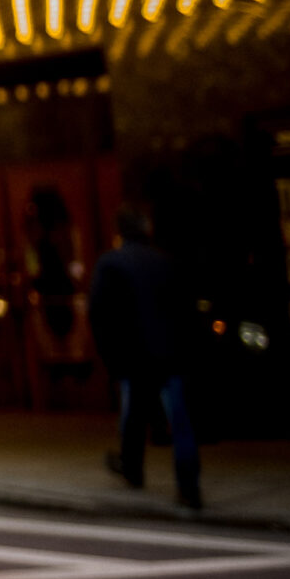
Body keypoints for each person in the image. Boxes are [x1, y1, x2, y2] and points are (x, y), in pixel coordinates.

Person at [90, 208, 201, 511]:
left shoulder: (111, 263)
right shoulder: (164, 261)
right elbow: (186, 308)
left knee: (133, 415)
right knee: (180, 421)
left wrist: (110, 357)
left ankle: (132, 469)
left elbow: (100, 313)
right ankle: (189, 487)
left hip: (135, 355)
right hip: (171, 353)